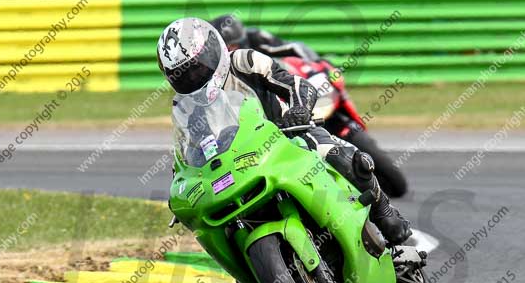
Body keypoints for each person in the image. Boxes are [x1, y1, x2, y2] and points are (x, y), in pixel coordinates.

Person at [156, 17, 409, 245]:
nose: (193, 76)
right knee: (217, 219)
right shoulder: (188, 108)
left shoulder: (245, 61)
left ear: (211, 50)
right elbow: (188, 152)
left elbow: (300, 86)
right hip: (241, 163)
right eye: (184, 73)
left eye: (198, 66)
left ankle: (384, 212)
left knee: (339, 153)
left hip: (288, 136)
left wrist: (297, 110)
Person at [210, 14, 320, 61]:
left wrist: (315, 62)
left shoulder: (257, 38)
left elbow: (294, 47)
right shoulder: (213, 57)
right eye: (225, 47)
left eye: (233, 46)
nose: (230, 51)